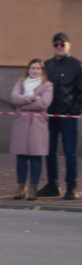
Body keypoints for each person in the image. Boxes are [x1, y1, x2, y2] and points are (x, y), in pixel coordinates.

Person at [41, 32, 82, 199]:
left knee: (70, 152)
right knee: (49, 151)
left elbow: (80, 91)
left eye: (62, 44)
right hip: (50, 115)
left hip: (67, 116)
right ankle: (52, 185)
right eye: (56, 44)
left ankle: (71, 186)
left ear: (68, 46)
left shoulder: (76, 65)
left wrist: (74, 110)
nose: (59, 47)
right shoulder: (47, 65)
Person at [10, 59, 53, 200]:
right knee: (21, 157)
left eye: (38, 68)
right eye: (32, 68)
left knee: (36, 157)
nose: (35, 71)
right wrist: (32, 98)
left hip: (37, 124)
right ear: (28, 70)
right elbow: (14, 98)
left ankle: (33, 187)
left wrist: (24, 104)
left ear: (42, 71)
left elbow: (44, 103)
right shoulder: (20, 83)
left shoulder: (47, 85)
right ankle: (21, 187)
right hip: (21, 123)